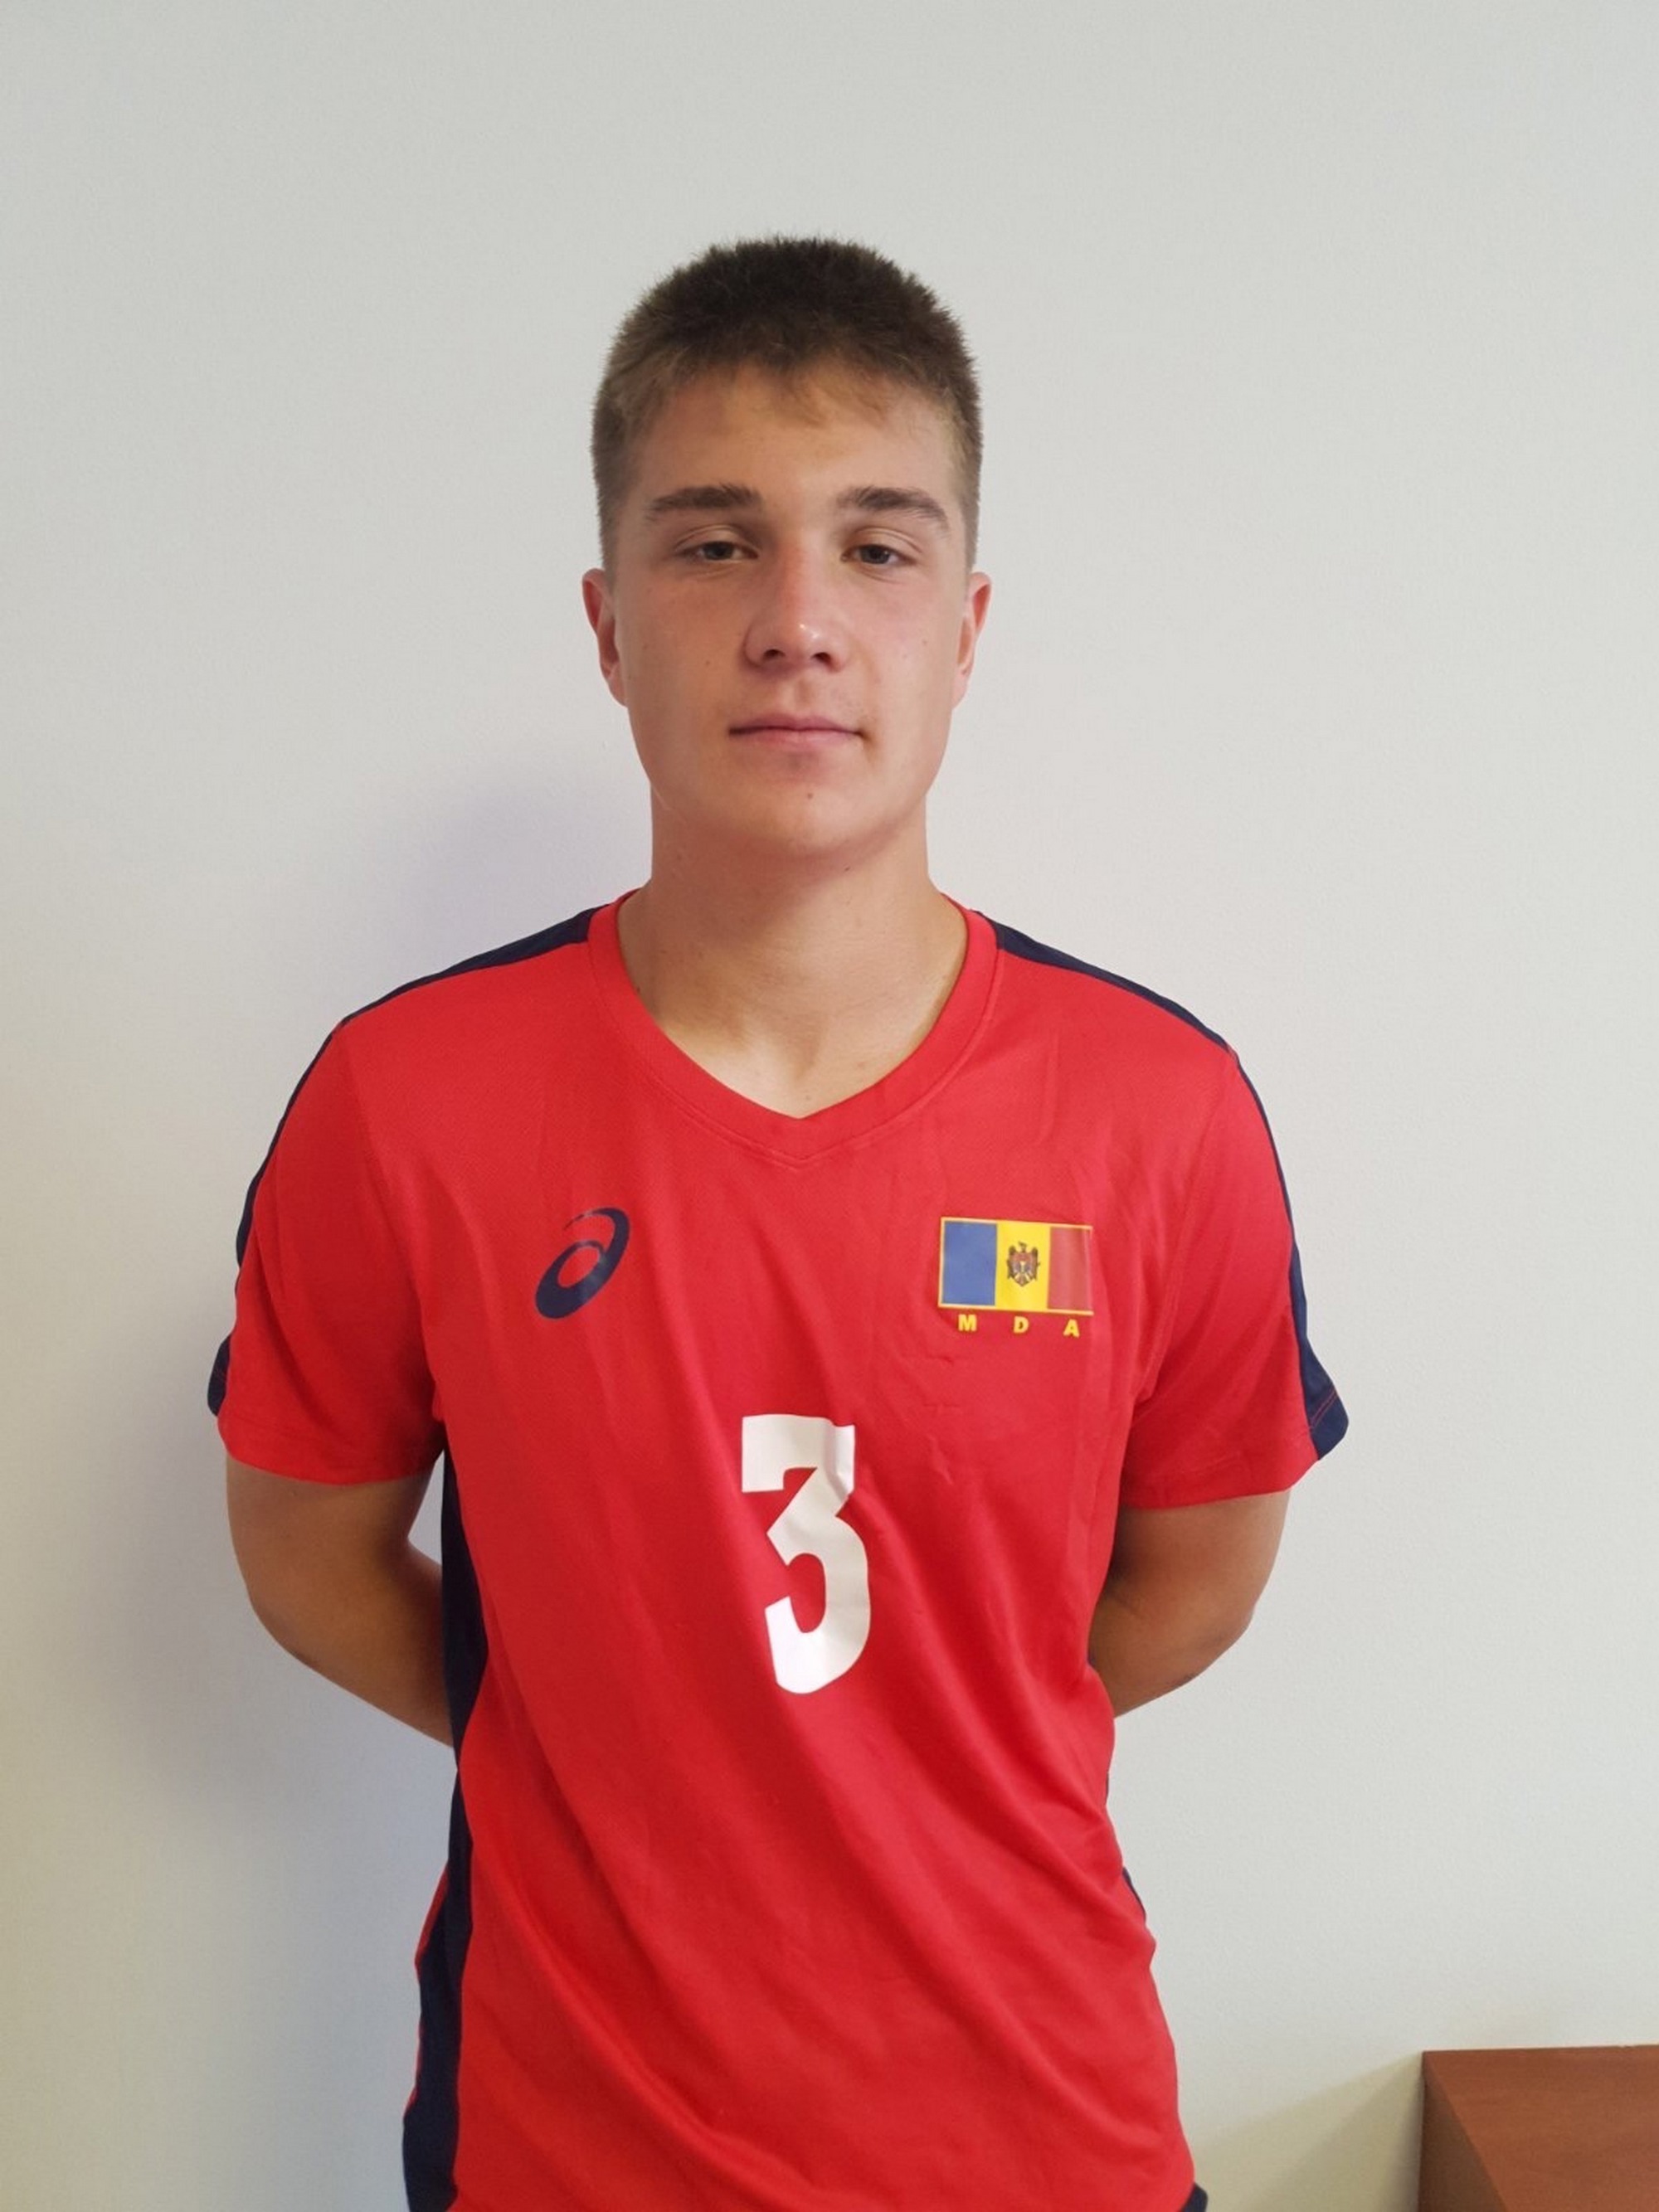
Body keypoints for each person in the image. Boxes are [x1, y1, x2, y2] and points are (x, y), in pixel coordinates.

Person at [213, 235, 1347, 2212]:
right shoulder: (403, 1100)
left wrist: (919, 1746)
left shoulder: (1160, 1112)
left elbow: (1192, 1585)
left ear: (966, 624)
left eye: (877, 546)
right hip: (565, 2148)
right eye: (715, 542)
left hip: (1040, 2142)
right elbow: (309, 1555)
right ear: (606, 620)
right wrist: (587, 1731)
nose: (798, 622)